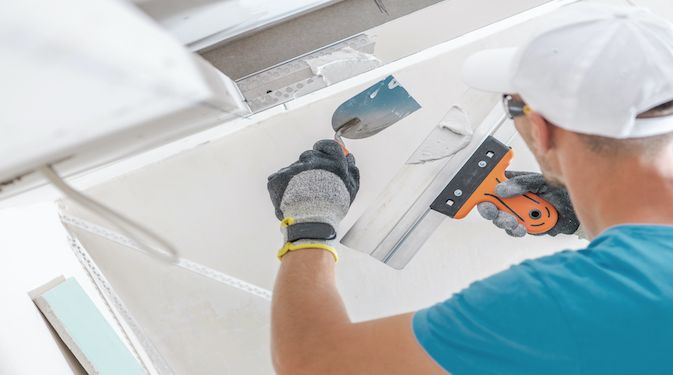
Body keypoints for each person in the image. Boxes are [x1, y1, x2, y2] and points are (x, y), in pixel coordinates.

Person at [266, 3, 673, 374]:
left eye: (512, 104)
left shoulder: (568, 300)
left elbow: (315, 362)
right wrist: (577, 217)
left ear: (540, 128)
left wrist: (310, 224)